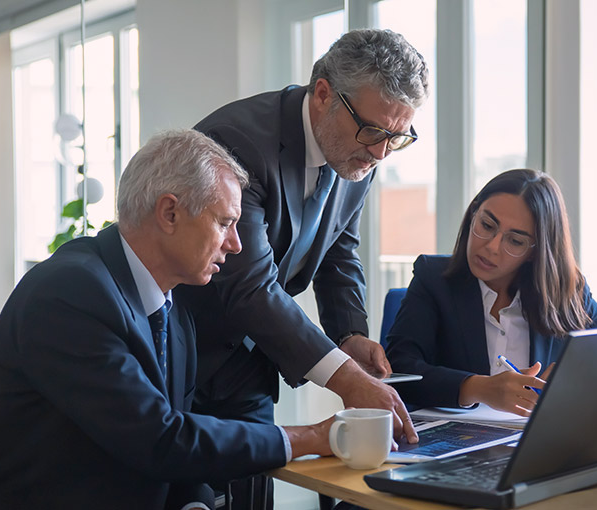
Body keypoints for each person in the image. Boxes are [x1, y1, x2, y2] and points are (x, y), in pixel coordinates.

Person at [0, 130, 335, 510]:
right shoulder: (68, 292)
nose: (236, 244)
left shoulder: (175, 312)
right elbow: (158, 439)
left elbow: (181, 455)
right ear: (169, 213)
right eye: (225, 222)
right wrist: (310, 437)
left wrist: (196, 506)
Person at [176, 29, 429, 441]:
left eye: (396, 137)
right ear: (324, 94)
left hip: (252, 356)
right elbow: (250, 286)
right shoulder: (238, 143)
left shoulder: (359, 151)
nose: (381, 153)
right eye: (373, 132)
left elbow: (338, 250)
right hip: (181, 350)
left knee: (254, 484)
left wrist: (350, 335)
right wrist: (344, 378)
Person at [385, 169, 597, 416]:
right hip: (456, 443)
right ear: (473, 213)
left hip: (535, 443)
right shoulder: (433, 279)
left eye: (515, 241)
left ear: (535, 251)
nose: (491, 247)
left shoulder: (565, 289)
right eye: (487, 225)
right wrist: (477, 388)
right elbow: (400, 370)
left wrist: (573, 376)